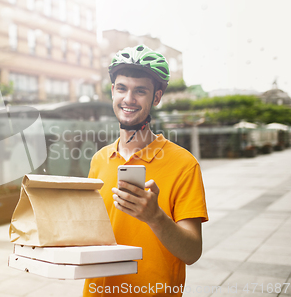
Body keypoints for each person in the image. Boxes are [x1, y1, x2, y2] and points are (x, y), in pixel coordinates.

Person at [83, 45, 208, 297]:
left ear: (157, 97)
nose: (129, 99)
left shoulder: (184, 164)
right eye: (122, 88)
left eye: (140, 91)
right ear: (112, 92)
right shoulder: (99, 159)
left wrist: (155, 217)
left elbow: (192, 252)